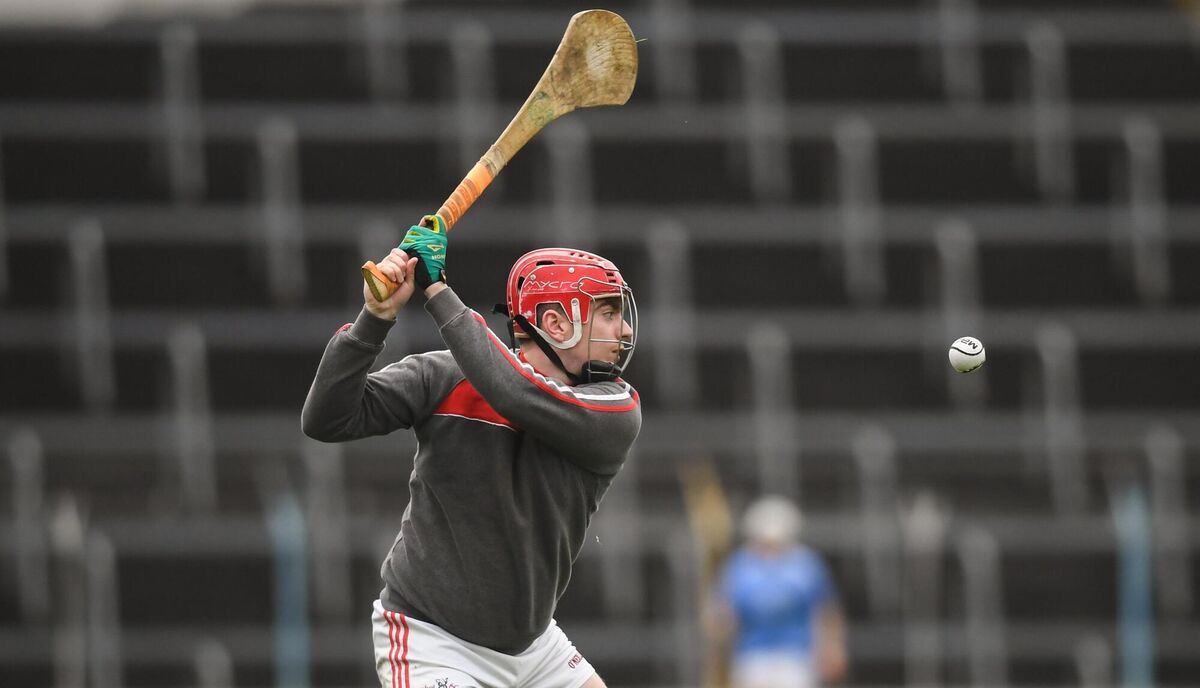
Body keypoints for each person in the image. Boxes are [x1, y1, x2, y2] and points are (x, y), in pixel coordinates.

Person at [302, 215, 641, 688]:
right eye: (607, 312)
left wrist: (437, 290)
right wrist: (374, 318)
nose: (623, 329)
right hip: (432, 640)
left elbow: (516, 394)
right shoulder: (443, 377)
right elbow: (326, 418)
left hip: (533, 645)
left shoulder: (614, 410)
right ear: (555, 322)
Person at [706, 496, 848, 688]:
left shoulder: (806, 564)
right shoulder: (740, 566)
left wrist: (832, 647)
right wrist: (719, 641)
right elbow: (723, 613)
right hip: (752, 656)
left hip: (796, 656)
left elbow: (825, 610)